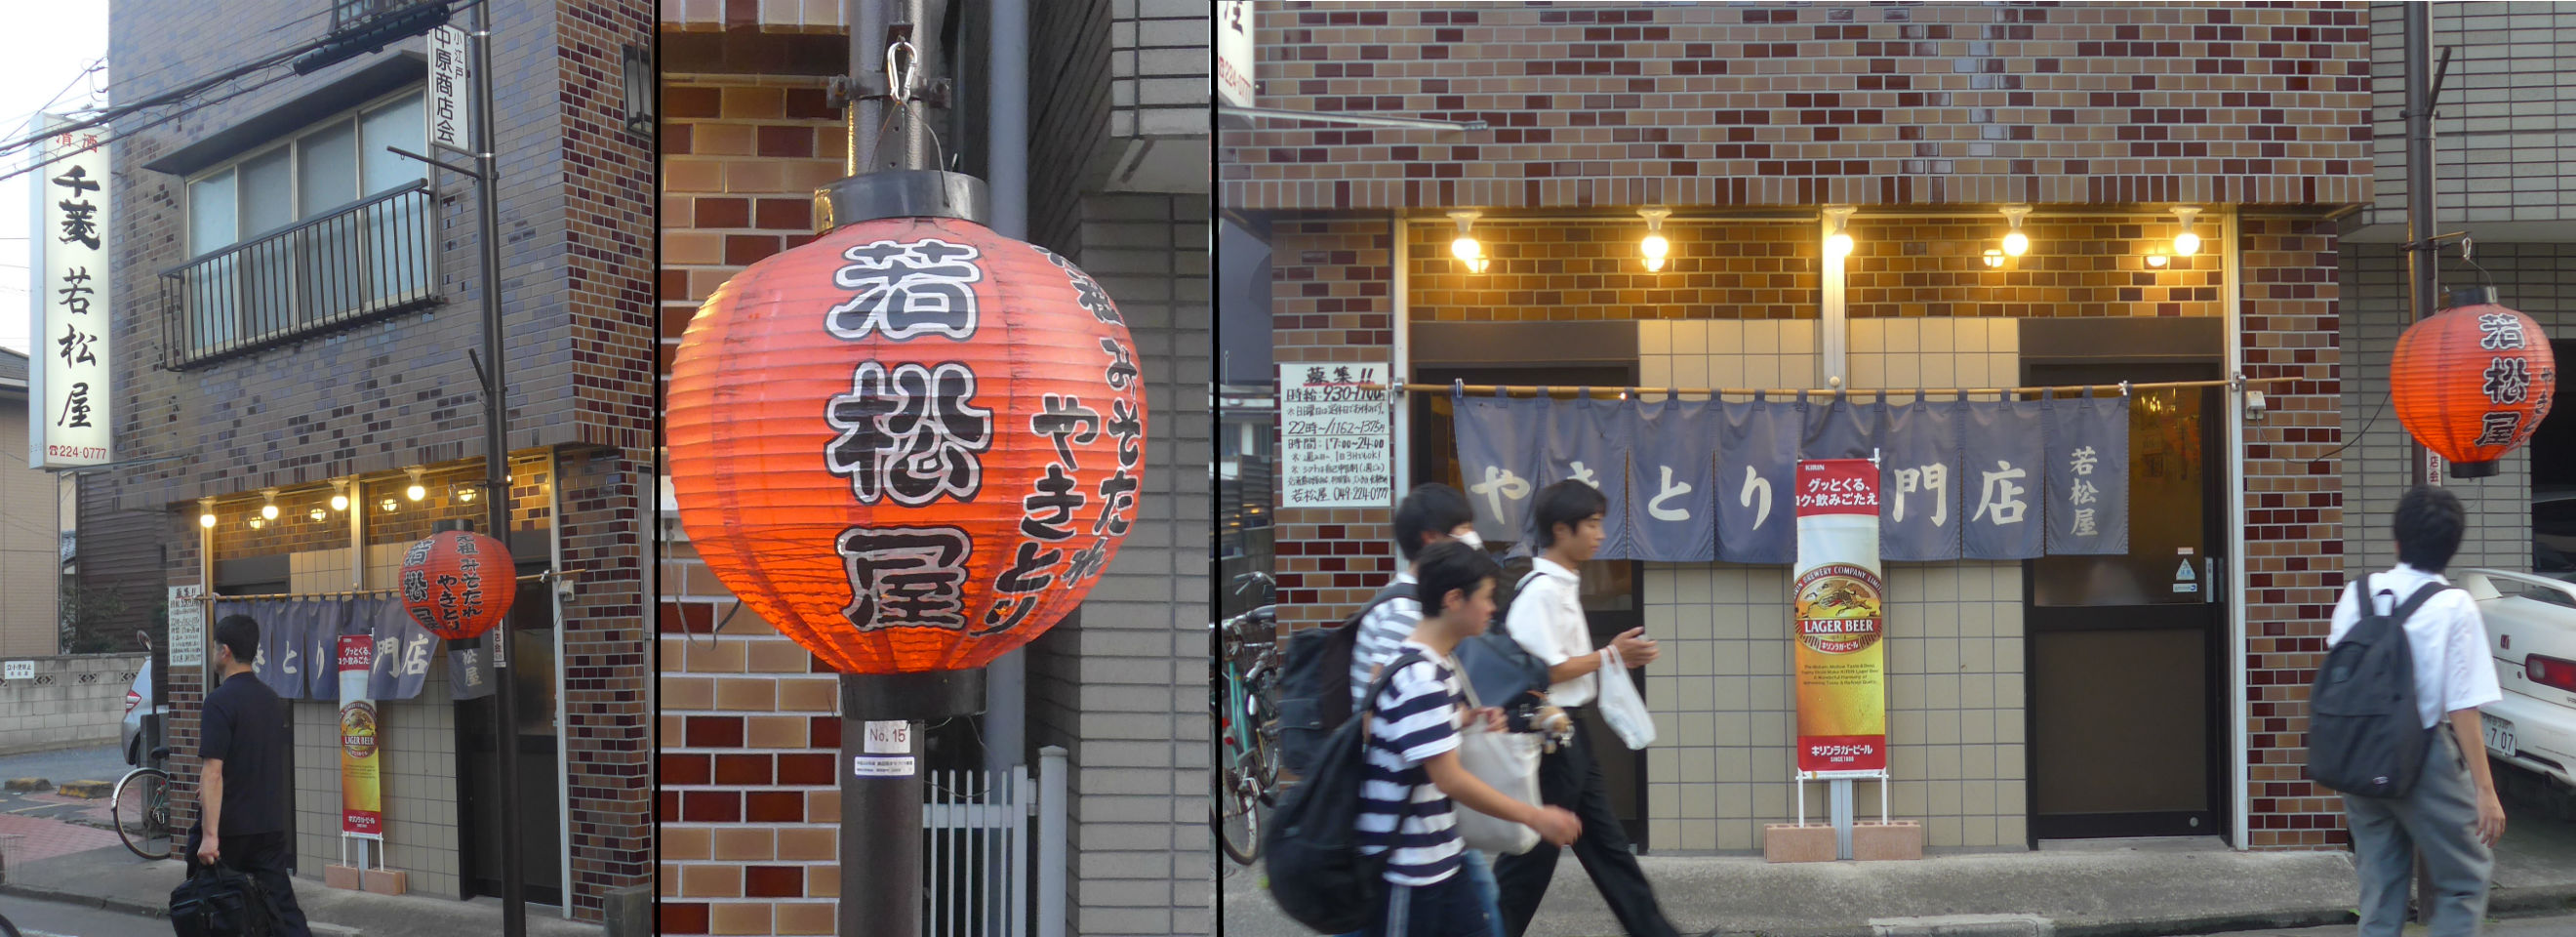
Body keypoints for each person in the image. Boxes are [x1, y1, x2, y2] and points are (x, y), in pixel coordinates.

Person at [1358, 541, 1581, 937]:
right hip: (1407, 870)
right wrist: (1534, 815)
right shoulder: (1421, 678)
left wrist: (1468, 716)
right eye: (1487, 597)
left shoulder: (1434, 665)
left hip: (1442, 858)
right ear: (1454, 599)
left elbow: (1427, 730)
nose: (1493, 608)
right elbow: (1450, 779)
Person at [1493, 480, 1677, 937]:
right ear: (1561, 529)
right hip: (1551, 735)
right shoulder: (1541, 592)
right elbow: (1543, 670)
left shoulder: (1559, 585)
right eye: (1592, 524)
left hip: (1568, 733)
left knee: (1608, 848)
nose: (1600, 533)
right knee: (1530, 860)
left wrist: (1610, 654)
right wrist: (1611, 656)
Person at [2330, 486, 2506, 937]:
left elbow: (2338, 666)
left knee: (2380, 885)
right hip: (2424, 757)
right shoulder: (2454, 605)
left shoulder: (2358, 594)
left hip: (2360, 756)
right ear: (2451, 547)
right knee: (2465, 876)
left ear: (2397, 541)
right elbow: (2463, 706)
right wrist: (2485, 791)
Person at [1339, 483, 1490, 935]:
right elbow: (1383, 712)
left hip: (1426, 822)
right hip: (1403, 828)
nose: (1472, 539)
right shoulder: (1404, 613)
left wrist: (1462, 716)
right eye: (1462, 530)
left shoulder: (1413, 610)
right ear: (1431, 540)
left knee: (1484, 902)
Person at [188, 614, 311, 937]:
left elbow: (213, 771)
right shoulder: (271, 700)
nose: (214, 652)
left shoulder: (218, 701)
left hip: (230, 830)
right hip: (269, 825)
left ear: (224, 651)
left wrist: (209, 835)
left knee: (211, 908)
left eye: (215, 647)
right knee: (282, 909)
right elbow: (252, 759)